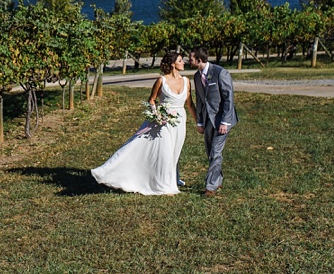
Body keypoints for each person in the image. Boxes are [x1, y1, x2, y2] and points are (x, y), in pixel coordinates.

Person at [91, 52, 197, 195]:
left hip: (180, 121)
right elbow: (152, 99)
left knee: (174, 152)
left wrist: (198, 123)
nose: (183, 62)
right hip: (164, 121)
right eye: (180, 60)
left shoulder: (186, 81)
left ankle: (169, 180)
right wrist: (157, 115)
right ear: (173, 64)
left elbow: (190, 104)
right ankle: (163, 186)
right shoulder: (161, 81)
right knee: (164, 152)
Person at [190, 47, 239, 197]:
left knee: (216, 152)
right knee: (210, 152)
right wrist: (199, 122)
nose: (189, 61)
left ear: (199, 60)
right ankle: (218, 181)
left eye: (191, 58)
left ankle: (210, 187)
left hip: (222, 119)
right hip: (207, 120)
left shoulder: (220, 72)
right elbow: (199, 100)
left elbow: (228, 98)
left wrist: (225, 121)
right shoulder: (197, 76)